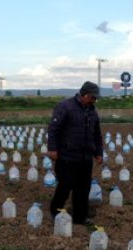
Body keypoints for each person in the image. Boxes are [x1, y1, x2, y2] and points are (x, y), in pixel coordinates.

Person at [48, 81, 104, 225]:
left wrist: (98, 152)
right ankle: (56, 212)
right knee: (65, 186)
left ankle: (80, 217)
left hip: (85, 157)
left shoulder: (92, 111)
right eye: (93, 97)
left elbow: (96, 133)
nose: (94, 100)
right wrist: (53, 148)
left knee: (83, 188)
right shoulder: (65, 106)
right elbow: (54, 128)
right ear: (84, 95)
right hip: (67, 155)